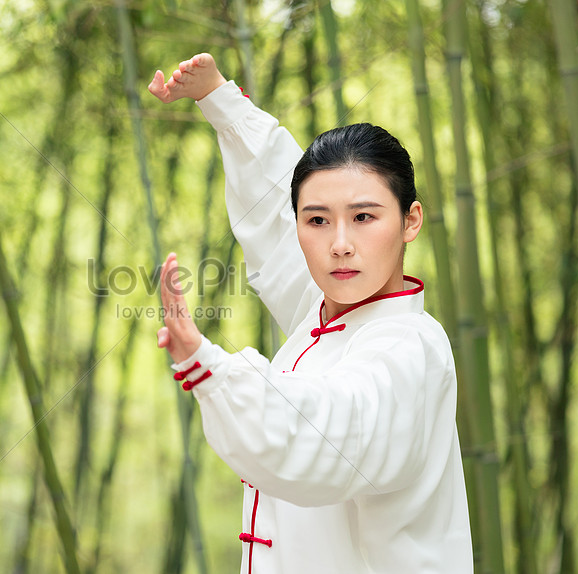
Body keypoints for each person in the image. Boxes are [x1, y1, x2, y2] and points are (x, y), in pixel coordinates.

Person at [149, 54, 473, 573]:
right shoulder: (321, 312)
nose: (340, 244)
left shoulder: (411, 347)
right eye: (317, 220)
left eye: (364, 216)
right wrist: (219, 100)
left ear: (410, 220)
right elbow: (276, 203)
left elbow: (333, 428)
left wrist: (212, 369)